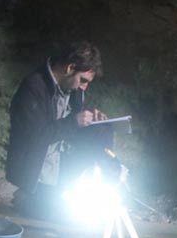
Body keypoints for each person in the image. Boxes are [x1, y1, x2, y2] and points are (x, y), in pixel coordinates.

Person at [6, 41, 109, 218]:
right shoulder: (33, 87)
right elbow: (34, 136)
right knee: (65, 217)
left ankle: (98, 187)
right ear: (69, 68)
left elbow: (73, 118)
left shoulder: (72, 88)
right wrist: (74, 122)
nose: (84, 87)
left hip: (60, 162)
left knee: (103, 129)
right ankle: (28, 196)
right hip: (37, 169)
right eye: (83, 80)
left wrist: (91, 117)